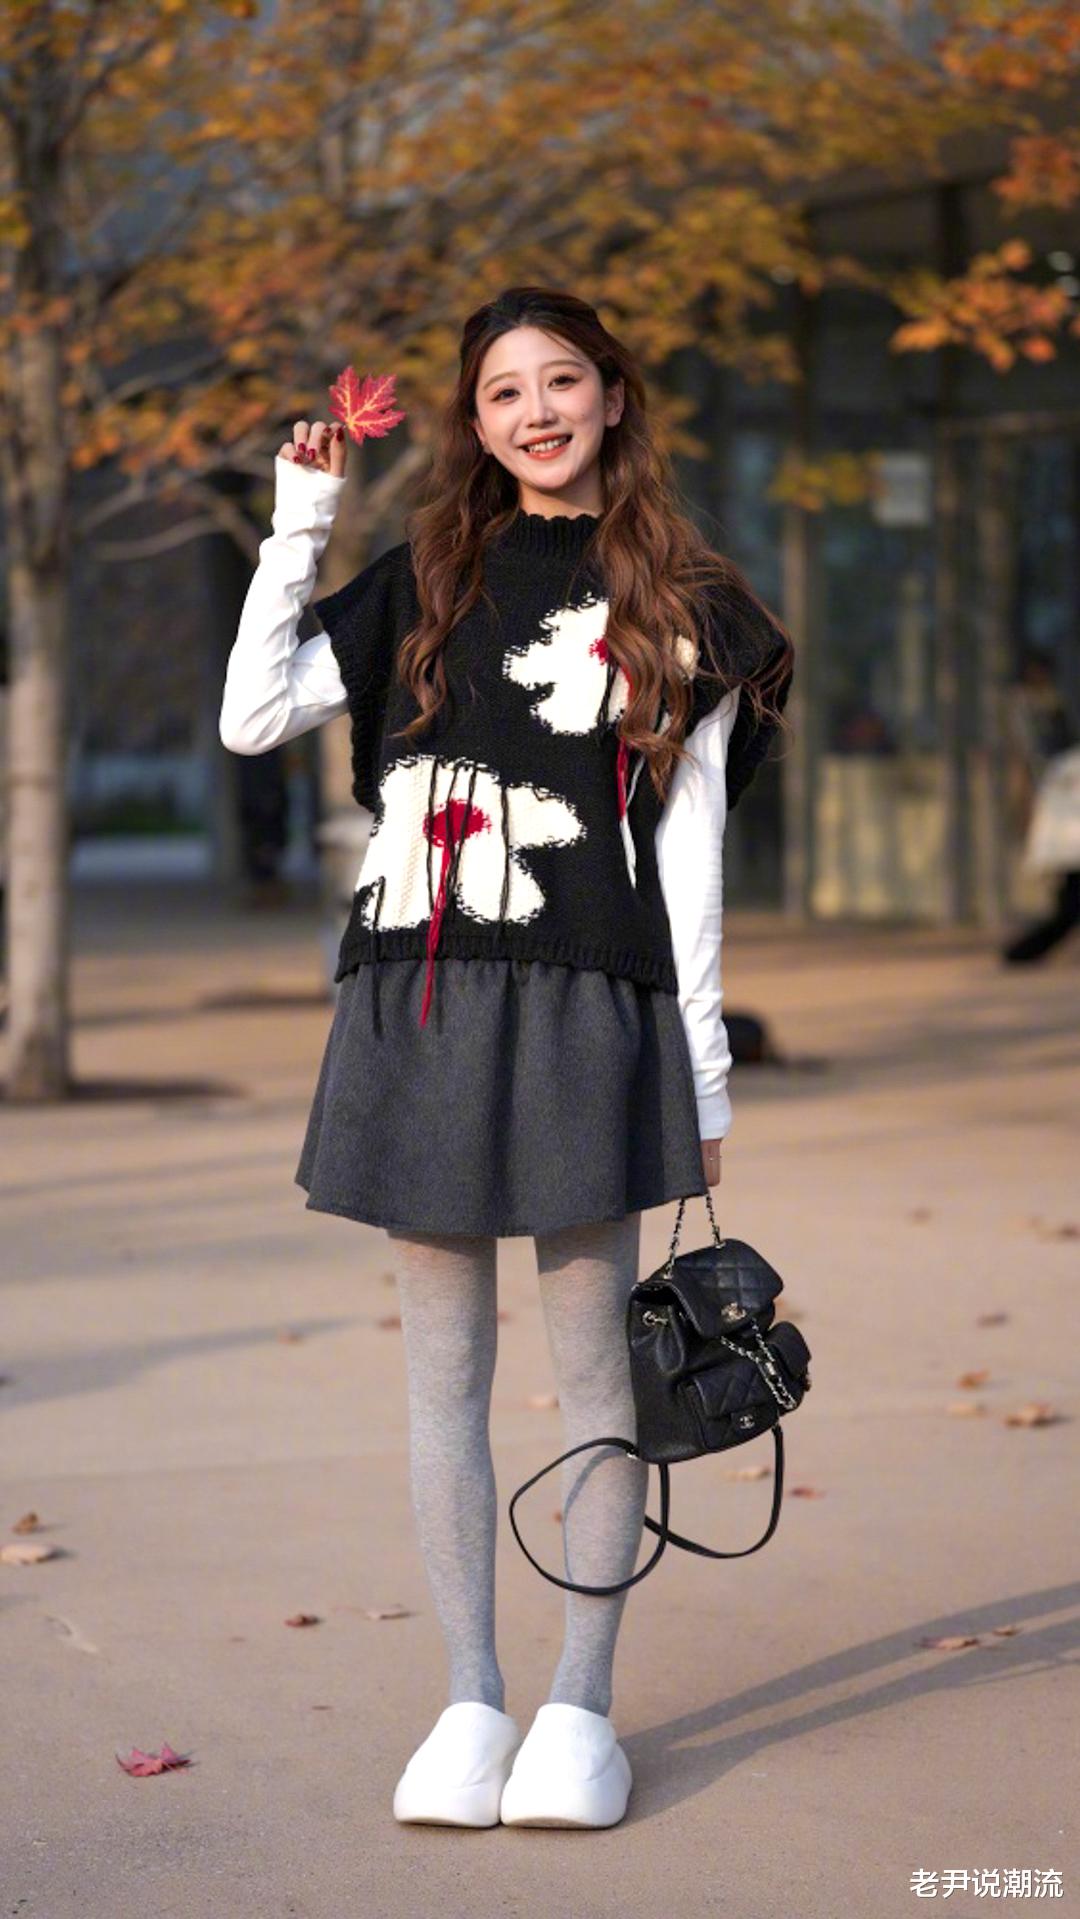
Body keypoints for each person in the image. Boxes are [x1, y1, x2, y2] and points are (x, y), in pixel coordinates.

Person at [219, 286, 794, 1831]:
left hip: (586, 1005)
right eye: (502, 393)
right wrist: (302, 516)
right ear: (474, 424)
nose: (536, 411)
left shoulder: (684, 602)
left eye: (560, 381)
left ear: (611, 394)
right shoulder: (426, 576)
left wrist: (705, 1083)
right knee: (442, 1382)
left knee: (597, 1375)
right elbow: (252, 712)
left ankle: (579, 1710)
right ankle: (471, 1698)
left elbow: (687, 868)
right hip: (416, 998)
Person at [1002, 648, 1080, 964]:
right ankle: (1022, 951)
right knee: (1071, 898)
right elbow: (1038, 760)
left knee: (1070, 898)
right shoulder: (1026, 707)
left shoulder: (1054, 705)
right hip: (1063, 807)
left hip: (1067, 804)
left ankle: (1024, 951)